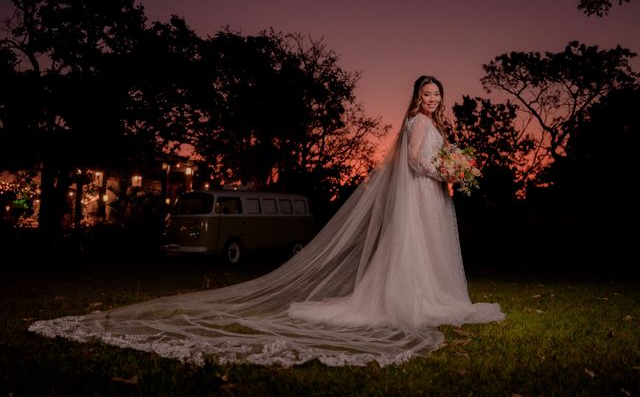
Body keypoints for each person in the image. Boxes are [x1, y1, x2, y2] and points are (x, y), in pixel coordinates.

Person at [29, 76, 505, 367]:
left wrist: (452, 169)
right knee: (417, 249)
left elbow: (428, 160)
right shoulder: (419, 126)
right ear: (416, 97)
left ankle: (427, 295)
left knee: (424, 249)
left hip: (429, 197)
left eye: (437, 93)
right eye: (426, 93)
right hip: (423, 192)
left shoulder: (435, 126)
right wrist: (446, 169)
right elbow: (418, 164)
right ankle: (417, 300)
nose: (432, 99)